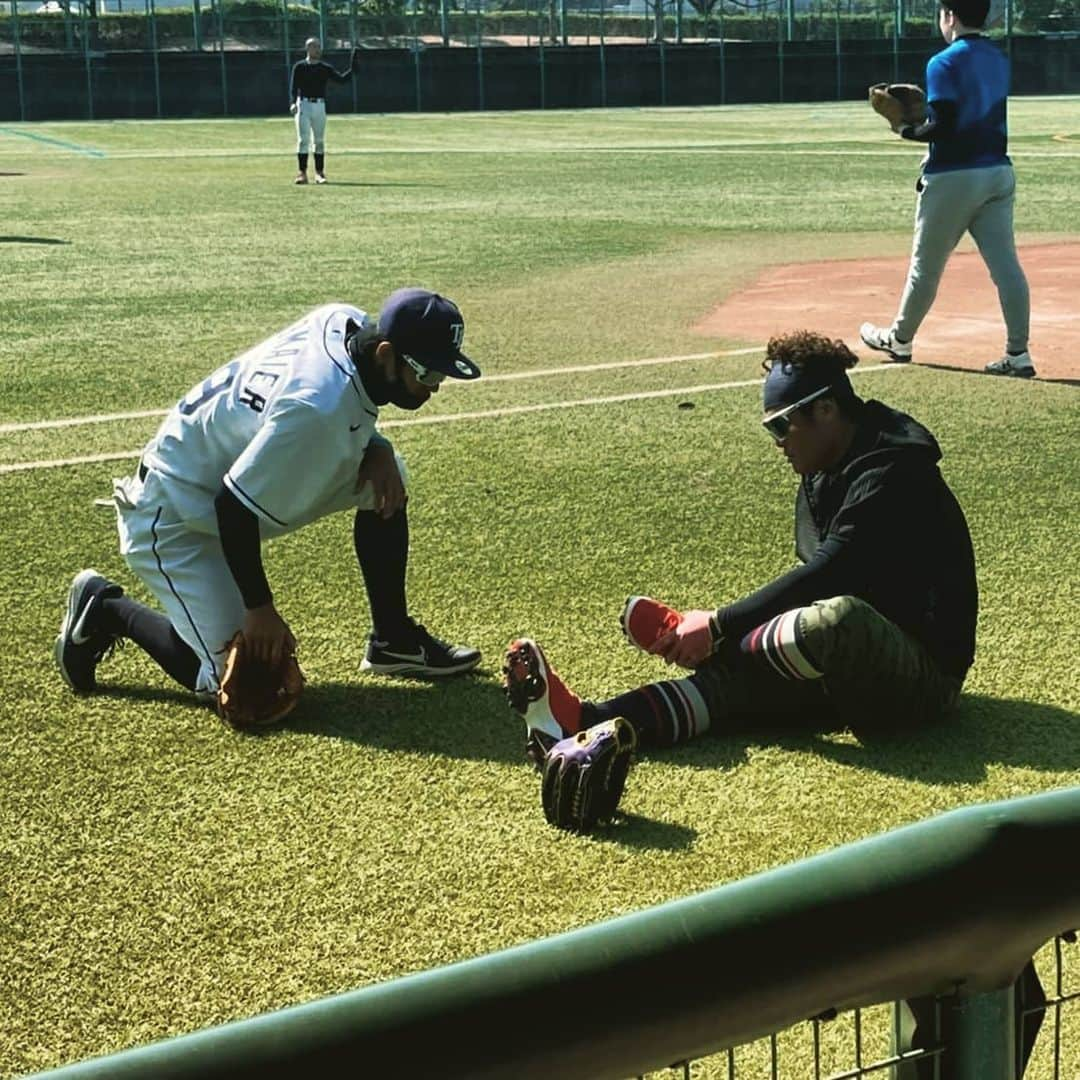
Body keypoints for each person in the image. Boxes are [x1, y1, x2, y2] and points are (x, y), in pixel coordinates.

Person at [505, 331, 978, 767]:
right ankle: (575, 726)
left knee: (831, 620)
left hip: (924, 681)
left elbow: (830, 572)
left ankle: (718, 649)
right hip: (849, 668)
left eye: (781, 426)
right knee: (726, 692)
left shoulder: (891, 469)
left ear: (827, 410)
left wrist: (716, 626)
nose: (777, 443)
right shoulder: (826, 465)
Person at [55, 288, 483, 707]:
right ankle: (105, 608)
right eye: (427, 374)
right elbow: (232, 506)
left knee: (387, 480)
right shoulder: (317, 409)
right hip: (173, 516)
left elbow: (311, 409)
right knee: (235, 682)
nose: (436, 387)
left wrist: (376, 445)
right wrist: (259, 609)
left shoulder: (343, 321)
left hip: (217, 478)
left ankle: (393, 640)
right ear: (386, 354)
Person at [859, 0, 1034, 378]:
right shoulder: (998, 57)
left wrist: (907, 131)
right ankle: (1018, 354)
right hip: (997, 171)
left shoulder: (942, 62)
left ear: (950, 16)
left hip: (954, 174)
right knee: (1006, 267)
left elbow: (945, 125)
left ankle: (900, 340)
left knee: (926, 267)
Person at [289, 37, 357, 185]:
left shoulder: (324, 68)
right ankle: (302, 173)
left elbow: (341, 80)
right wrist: (293, 103)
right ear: (308, 49)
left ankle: (319, 173)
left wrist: (353, 70)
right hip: (304, 105)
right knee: (303, 140)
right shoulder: (299, 67)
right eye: (315, 47)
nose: (318, 50)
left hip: (319, 105)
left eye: (319, 47)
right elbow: (294, 87)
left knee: (319, 140)